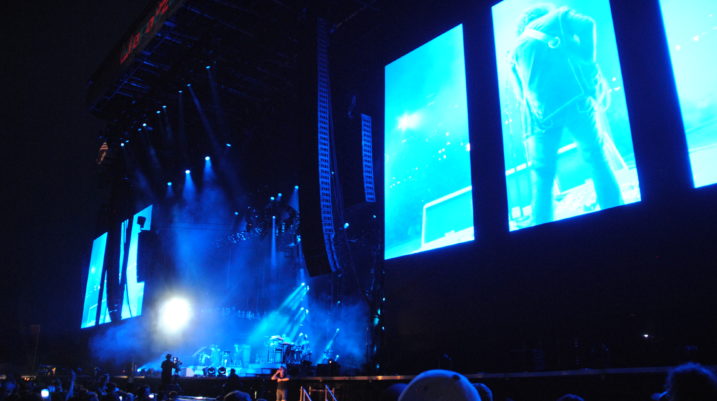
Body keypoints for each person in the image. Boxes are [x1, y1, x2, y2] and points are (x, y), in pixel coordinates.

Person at [509, 3, 623, 226]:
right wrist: (587, 60)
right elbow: (587, 24)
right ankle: (615, 215)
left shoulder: (514, 50)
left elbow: (521, 96)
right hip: (577, 101)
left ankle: (540, 228)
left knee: (542, 176)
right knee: (596, 157)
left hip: (542, 118)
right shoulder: (557, 17)